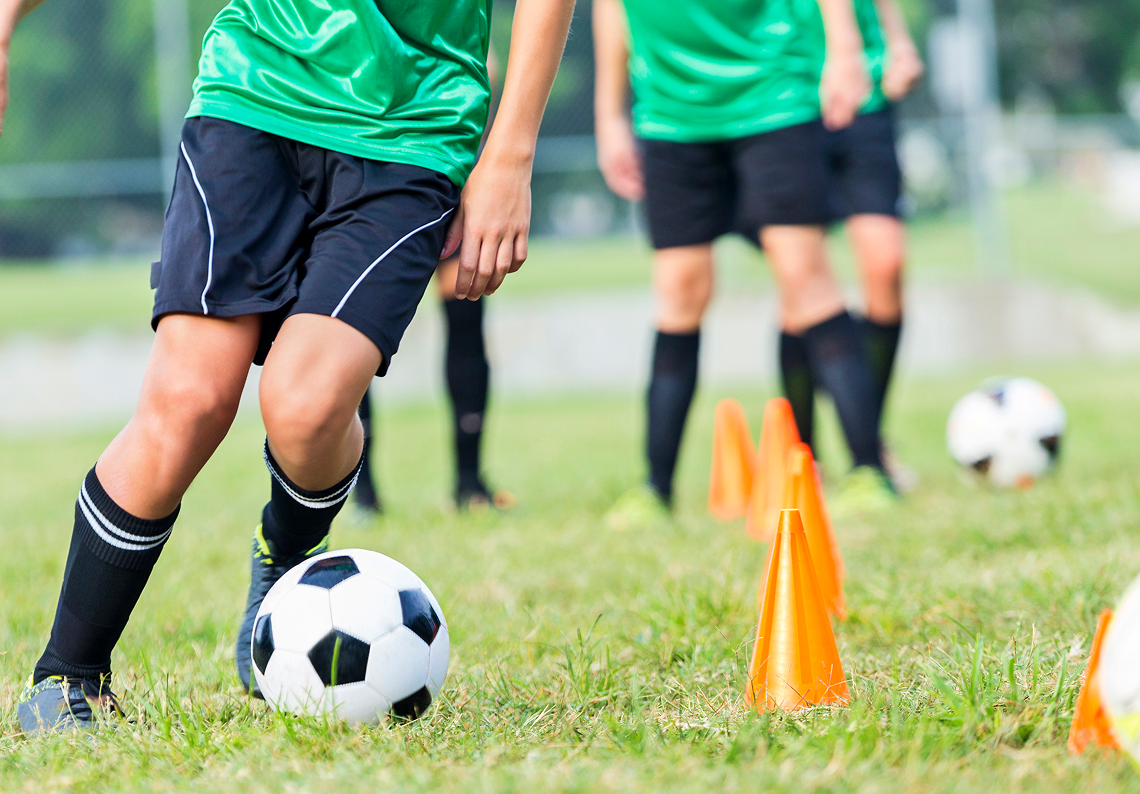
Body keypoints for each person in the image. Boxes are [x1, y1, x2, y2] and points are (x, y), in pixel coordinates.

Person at [3, 0, 576, 730]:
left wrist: (511, 154)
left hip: (413, 124)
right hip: (255, 89)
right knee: (190, 400)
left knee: (305, 409)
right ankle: (69, 677)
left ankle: (287, 551)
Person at [594, 0, 896, 529]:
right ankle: (655, 488)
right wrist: (608, 116)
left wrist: (844, 50)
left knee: (805, 277)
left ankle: (869, 470)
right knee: (679, 288)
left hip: (772, 98)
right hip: (670, 113)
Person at [351, 47, 514, 518]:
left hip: (443, 151)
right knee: (354, 325)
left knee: (465, 314)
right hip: (369, 148)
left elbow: (487, 61)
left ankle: (469, 485)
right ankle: (362, 493)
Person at [779, 0, 923, 488]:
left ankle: (868, 440)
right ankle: (803, 459)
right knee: (799, 288)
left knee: (886, 264)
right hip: (787, 95)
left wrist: (897, 38)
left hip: (865, 91)